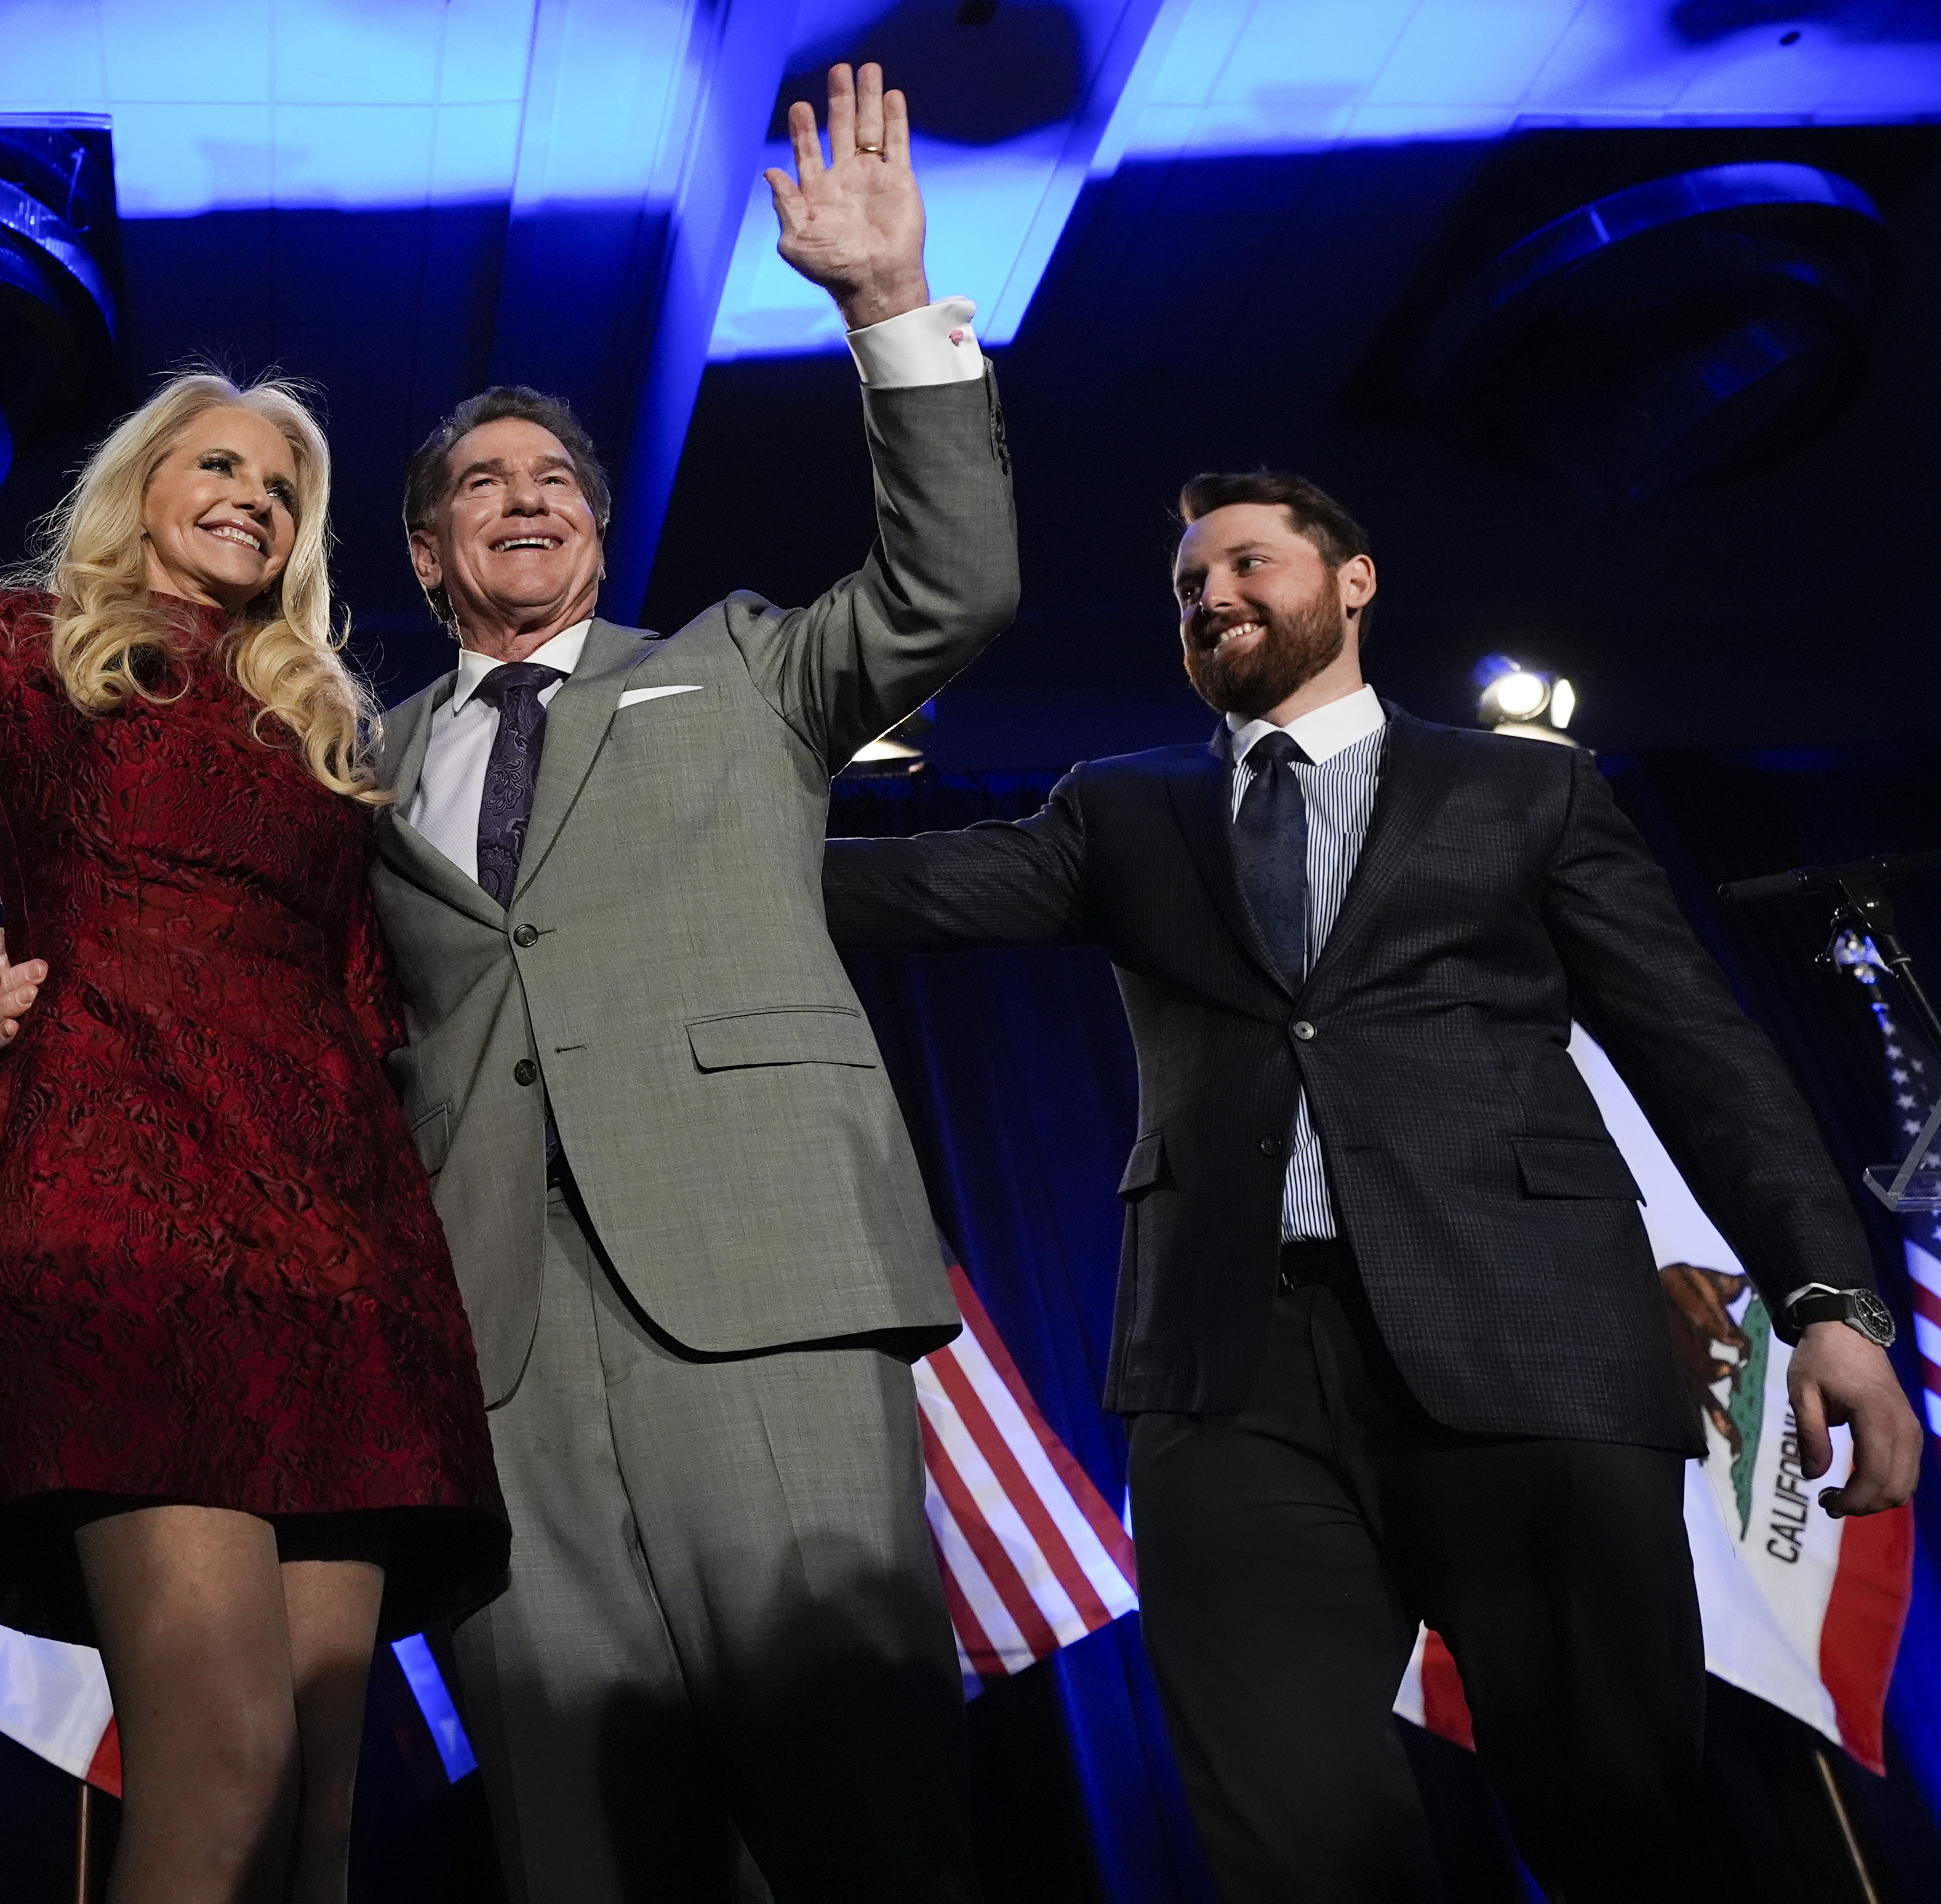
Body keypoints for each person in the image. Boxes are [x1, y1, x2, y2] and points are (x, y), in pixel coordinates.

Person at [0, 63, 1020, 1900]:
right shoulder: (344, 759)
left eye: (557, 483)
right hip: (480, 1339)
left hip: (752, 1292)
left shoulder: (742, 670)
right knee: (581, 1838)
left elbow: (950, 585)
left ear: (596, 535)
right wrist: (35, 984)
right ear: (425, 554)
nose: (525, 501)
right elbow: (243, 958)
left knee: (869, 1803)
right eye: (476, 487)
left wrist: (879, 305)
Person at [816, 471, 1919, 1900]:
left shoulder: (1528, 786)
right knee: (1294, 1841)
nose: (1210, 596)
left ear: (1352, 582)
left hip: (1531, 1350)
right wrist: (647, 838)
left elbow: (1704, 1056)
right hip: (1228, 1375)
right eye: (1186, 587)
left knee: (1618, 1825)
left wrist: (1828, 1304)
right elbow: (896, 893)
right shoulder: (1120, 810)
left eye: (1245, 563)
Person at [0, 36, 505, 1904]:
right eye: (212, 460)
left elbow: (380, 998)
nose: (244, 490)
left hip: (336, 1245)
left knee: (322, 1806)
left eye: (276, 479)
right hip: (121, 1216)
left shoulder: (334, 733)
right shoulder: (25, 653)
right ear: (141, 486)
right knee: (219, 1750)